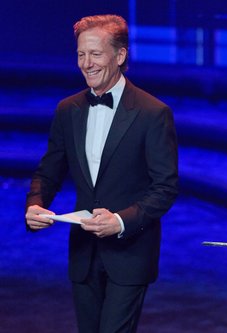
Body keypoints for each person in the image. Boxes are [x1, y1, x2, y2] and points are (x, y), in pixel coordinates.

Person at [25, 14, 178, 333]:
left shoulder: (153, 113)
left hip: (130, 253)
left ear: (120, 56)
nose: (86, 63)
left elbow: (165, 187)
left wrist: (121, 220)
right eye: (81, 54)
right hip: (83, 254)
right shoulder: (68, 109)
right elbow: (49, 170)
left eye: (95, 54)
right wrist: (36, 203)